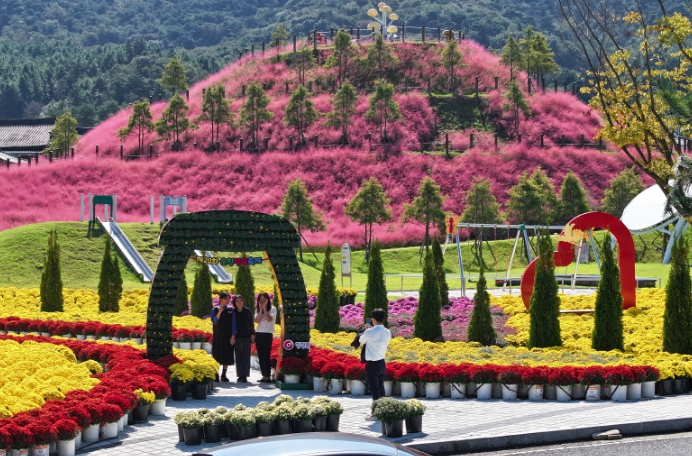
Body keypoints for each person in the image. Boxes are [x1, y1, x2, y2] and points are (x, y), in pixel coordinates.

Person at [358, 308, 391, 420]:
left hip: (372, 364)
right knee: (381, 387)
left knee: (374, 389)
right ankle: (383, 410)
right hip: (382, 363)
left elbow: (361, 340)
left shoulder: (369, 332)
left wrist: (368, 329)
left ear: (373, 319)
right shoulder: (387, 332)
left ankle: (376, 413)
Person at [211, 292, 235, 382]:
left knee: (227, 354)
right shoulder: (215, 309)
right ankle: (216, 374)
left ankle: (224, 375)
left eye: (229, 299)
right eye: (225, 299)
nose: (227, 301)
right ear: (220, 299)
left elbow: (234, 323)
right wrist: (219, 313)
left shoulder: (231, 310)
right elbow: (215, 321)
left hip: (228, 335)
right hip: (218, 336)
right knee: (217, 354)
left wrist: (233, 335)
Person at [231, 295, 255, 383]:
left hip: (246, 336)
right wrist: (232, 336)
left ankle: (245, 375)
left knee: (246, 356)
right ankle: (240, 375)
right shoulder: (233, 312)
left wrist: (252, 334)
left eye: (241, 300)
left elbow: (251, 324)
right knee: (238, 356)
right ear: (235, 303)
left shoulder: (248, 311)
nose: (239, 302)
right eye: (237, 301)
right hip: (237, 336)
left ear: (243, 301)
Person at [254, 292, 277, 383]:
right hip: (259, 333)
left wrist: (265, 309)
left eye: (264, 300)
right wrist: (260, 310)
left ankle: (268, 376)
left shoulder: (273, 309)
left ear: (268, 300)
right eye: (261, 300)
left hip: (267, 334)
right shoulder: (257, 309)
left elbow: (269, 319)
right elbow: (257, 321)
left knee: (266, 355)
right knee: (260, 355)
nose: (262, 301)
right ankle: (263, 375)